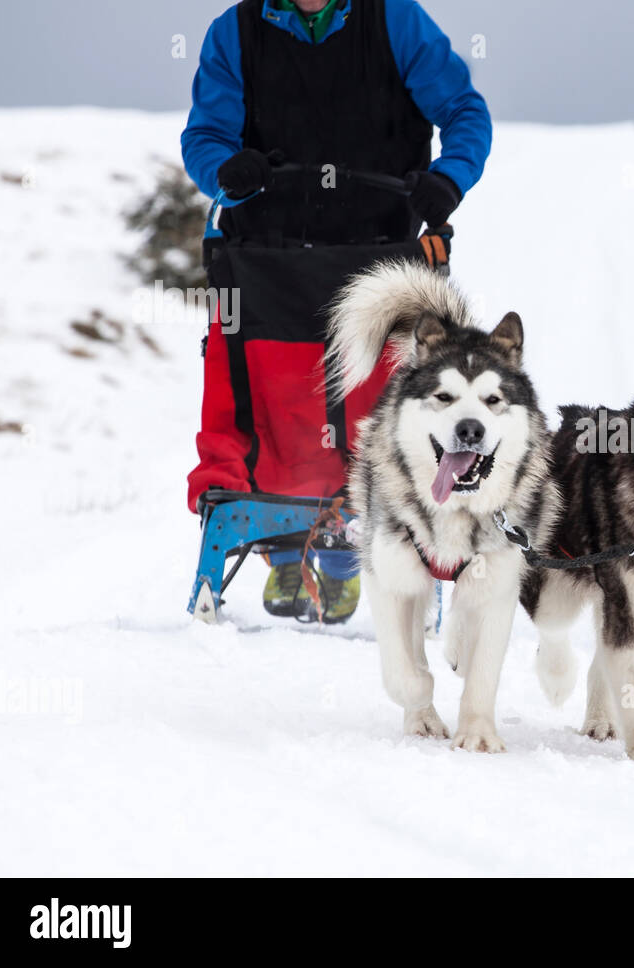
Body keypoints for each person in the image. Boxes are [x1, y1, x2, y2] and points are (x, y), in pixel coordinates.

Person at [181, 0, 491, 622]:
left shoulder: (395, 21)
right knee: (278, 401)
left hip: (385, 255)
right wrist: (225, 169)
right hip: (268, 254)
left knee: (374, 405)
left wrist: (448, 179)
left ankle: (346, 556)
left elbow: (464, 112)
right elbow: (205, 137)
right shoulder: (234, 32)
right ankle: (286, 553)